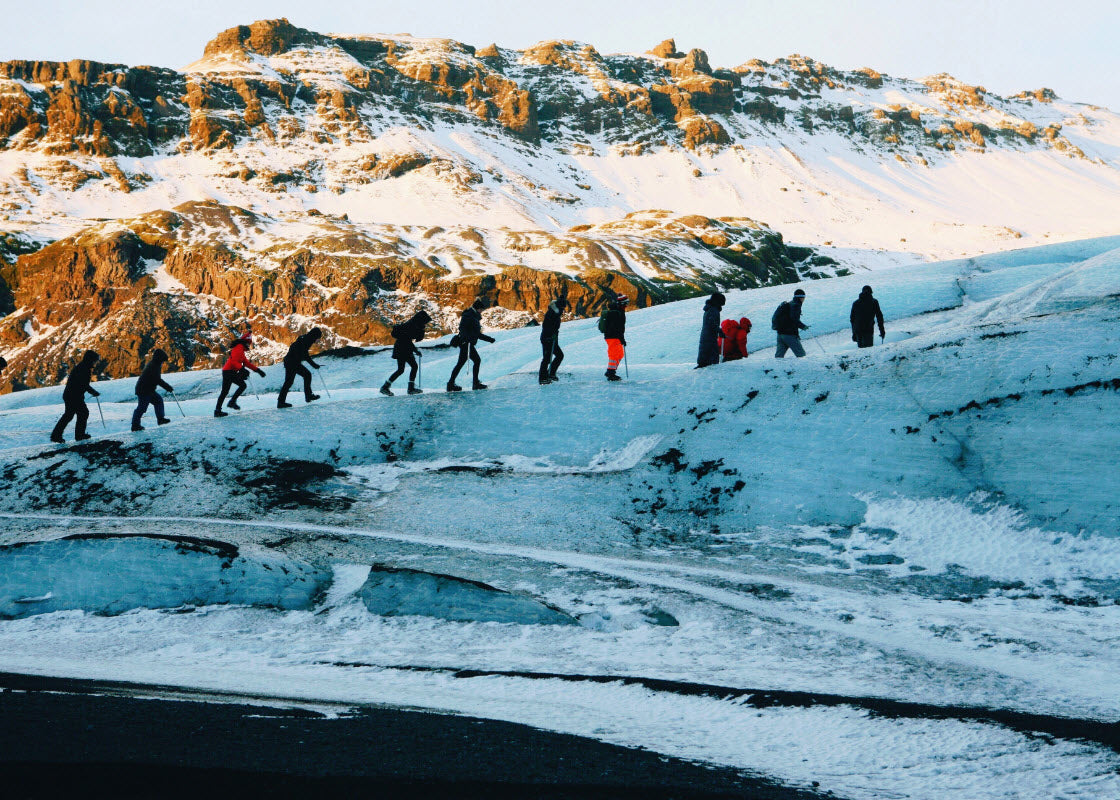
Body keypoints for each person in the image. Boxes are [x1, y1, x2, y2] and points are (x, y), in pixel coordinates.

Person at [50, 350, 100, 443]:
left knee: (70, 415)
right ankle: (79, 435)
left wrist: (92, 392)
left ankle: (56, 435)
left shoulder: (82, 367)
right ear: (91, 360)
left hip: (71, 395)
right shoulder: (84, 369)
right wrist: (93, 392)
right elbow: (83, 384)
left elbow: (82, 384)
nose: (96, 363)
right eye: (95, 360)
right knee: (83, 413)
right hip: (74, 396)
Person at [447, 298, 495, 392]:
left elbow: (473, 332)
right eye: (481, 309)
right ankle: (475, 383)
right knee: (476, 360)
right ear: (477, 308)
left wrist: (489, 339)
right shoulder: (469, 316)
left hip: (466, 343)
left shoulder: (471, 315)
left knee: (461, 363)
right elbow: (467, 330)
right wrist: (489, 339)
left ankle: (451, 384)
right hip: (466, 344)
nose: (482, 311)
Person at [381, 311, 431, 396]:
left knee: (401, 370)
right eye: (425, 322)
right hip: (404, 349)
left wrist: (415, 350)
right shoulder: (412, 326)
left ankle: (385, 387)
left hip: (400, 348)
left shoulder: (411, 324)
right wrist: (416, 351)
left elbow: (409, 340)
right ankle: (410, 388)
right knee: (414, 366)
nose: (425, 324)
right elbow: (408, 340)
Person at [215, 335, 264, 417]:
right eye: (248, 343)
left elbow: (246, 363)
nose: (249, 345)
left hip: (229, 371)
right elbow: (234, 361)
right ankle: (229, 403)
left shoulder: (240, 349)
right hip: (229, 372)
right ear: (245, 342)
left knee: (227, 391)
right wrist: (242, 369)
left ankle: (220, 408)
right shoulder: (238, 349)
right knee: (240, 386)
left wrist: (257, 370)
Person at [278, 327, 324, 408]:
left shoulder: (306, 338)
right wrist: (314, 365)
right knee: (299, 378)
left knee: (292, 381)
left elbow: (303, 354)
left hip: (291, 361)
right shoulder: (307, 340)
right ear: (315, 336)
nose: (318, 340)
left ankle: (282, 401)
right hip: (292, 362)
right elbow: (305, 355)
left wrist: (313, 365)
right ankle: (307, 396)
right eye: (318, 338)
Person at [131, 349, 173, 431]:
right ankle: (135, 425)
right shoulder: (153, 366)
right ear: (160, 359)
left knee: (158, 401)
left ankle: (161, 419)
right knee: (142, 408)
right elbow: (157, 380)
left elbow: (157, 379)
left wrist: (167, 387)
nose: (163, 363)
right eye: (162, 361)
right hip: (144, 390)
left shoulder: (154, 364)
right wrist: (167, 387)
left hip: (148, 390)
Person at [538, 298, 568, 385]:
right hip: (547, 338)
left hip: (552, 338)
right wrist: (551, 335)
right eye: (562, 308)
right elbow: (546, 326)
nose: (563, 310)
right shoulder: (552, 313)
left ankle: (551, 374)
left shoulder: (556, 312)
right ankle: (543, 378)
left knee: (559, 355)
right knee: (547, 358)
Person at [773, 288, 809, 358]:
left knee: (779, 357)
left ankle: (776, 369)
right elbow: (794, 319)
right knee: (801, 355)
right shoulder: (796, 305)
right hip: (789, 335)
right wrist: (803, 326)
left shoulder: (788, 304)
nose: (804, 299)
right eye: (804, 297)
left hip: (780, 334)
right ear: (801, 298)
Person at [602, 293, 628, 381]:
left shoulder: (617, 311)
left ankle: (610, 371)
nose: (627, 304)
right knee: (615, 355)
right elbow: (618, 327)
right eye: (626, 302)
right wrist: (621, 338)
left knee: (619, 354)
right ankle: (610, 373)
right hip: (613, 337)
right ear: (622, 303)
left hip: (611, 336)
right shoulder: (618, 313)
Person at [696, 293, 726, 368]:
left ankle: (702, 365)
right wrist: (719, 331)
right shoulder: (713, 310)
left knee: (705, 354)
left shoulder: (709, 309)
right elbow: (712, 323)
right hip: (710, 337)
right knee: (711, 358)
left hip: (707, 336)